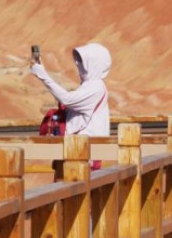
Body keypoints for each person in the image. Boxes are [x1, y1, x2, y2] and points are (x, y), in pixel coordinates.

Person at [30, 42, 111, 170]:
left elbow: (66, 99)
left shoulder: (96, 88)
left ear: (94, 64)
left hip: (83, 155)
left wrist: (43, 75)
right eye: (78, 60)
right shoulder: (89, 86)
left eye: (83, 61)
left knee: (75, 188)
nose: (78, 64)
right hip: (76, 151)